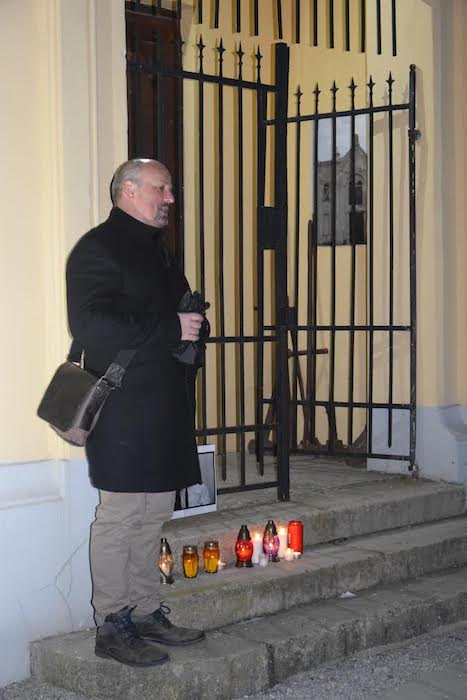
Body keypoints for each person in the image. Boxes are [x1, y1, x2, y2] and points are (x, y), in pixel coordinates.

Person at [66, 158, 206, 667]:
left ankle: (145, 612)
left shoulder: (159, 252)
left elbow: (174, 317)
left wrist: (193, 325)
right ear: (129, 190)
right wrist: (171, 327)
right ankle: (111, 623)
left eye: (169, 189)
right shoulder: (97, 248)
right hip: (123, 406)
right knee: (121, 515)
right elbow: (90, 325)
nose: (170, 197)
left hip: (164, 403)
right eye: (161, 188)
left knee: (153, 514)